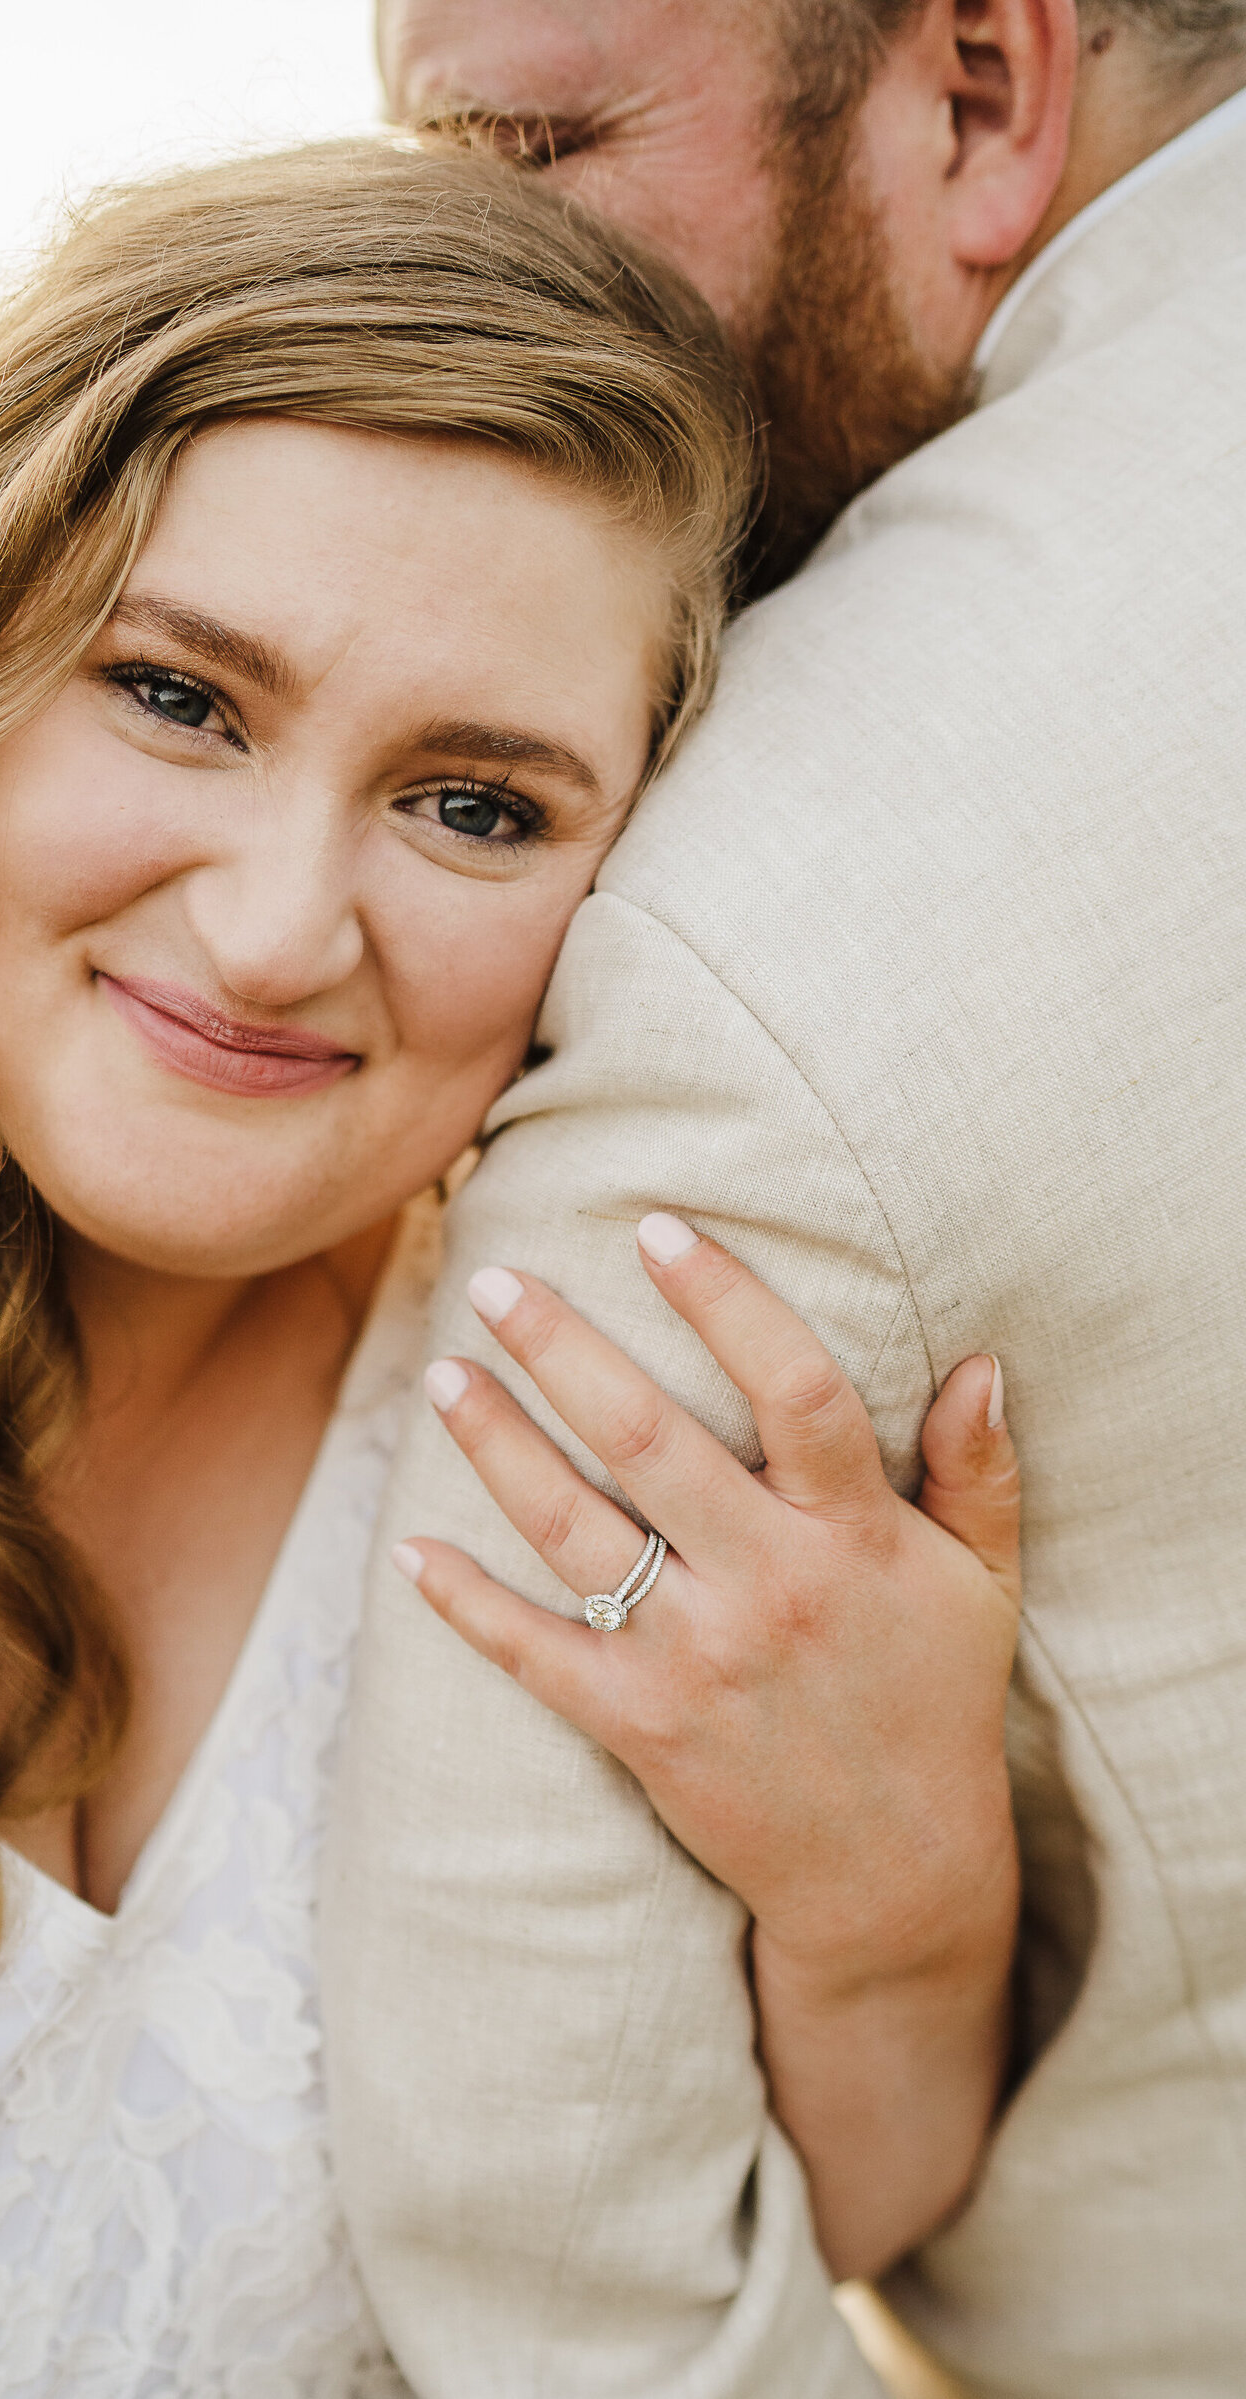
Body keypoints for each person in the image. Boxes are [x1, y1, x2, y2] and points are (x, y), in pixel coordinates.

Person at [0, 138, 1017, 2396]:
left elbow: (749, 2258)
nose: (281, 930)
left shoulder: (569, 1446)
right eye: (178, 696)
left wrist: (892, 1891)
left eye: (474, 806)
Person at [325, 4, 1246, 2395]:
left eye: (535, 144)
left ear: (970, 81)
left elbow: (560, 2266)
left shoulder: (743, 917)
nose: (455, 269)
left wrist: (899, 1909)